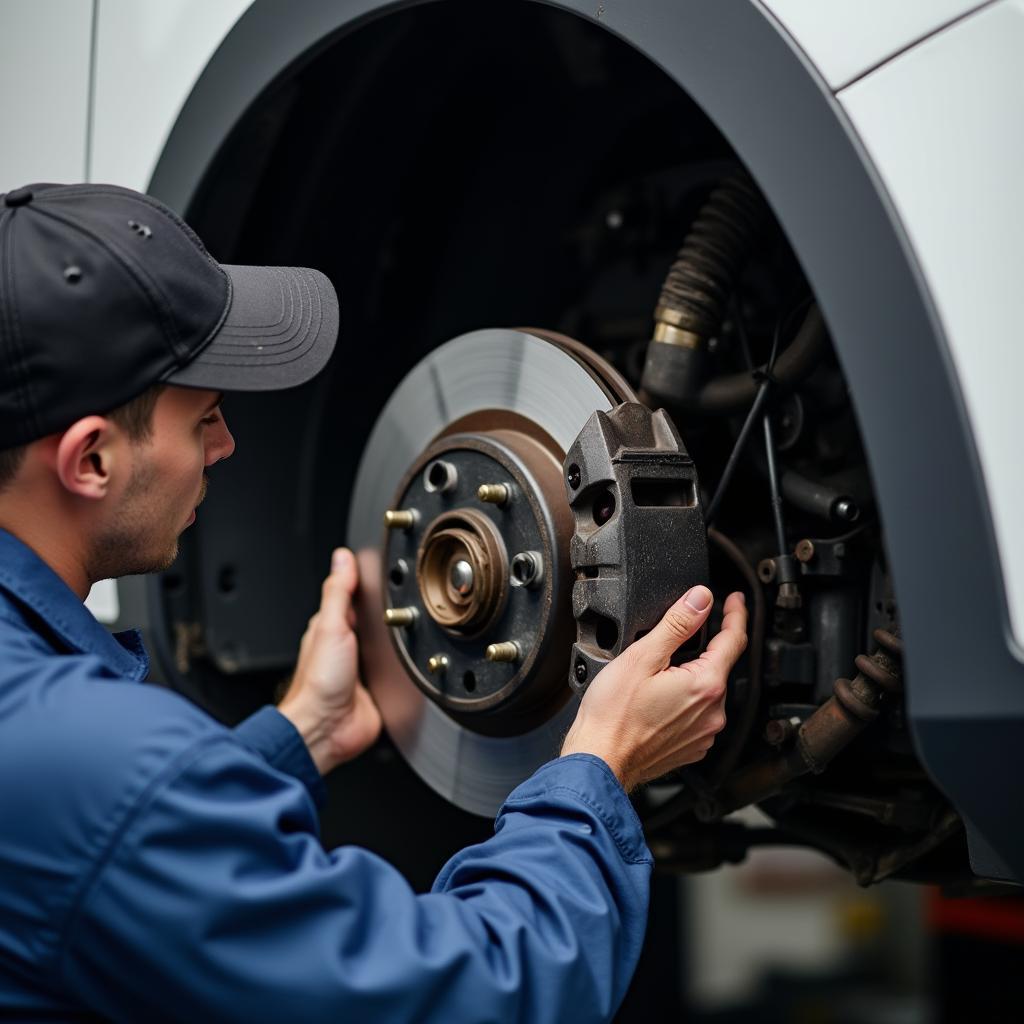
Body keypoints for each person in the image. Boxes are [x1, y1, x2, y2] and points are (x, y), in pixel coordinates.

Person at [0, 183, 747, 1023]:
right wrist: (602, 764)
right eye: (204, 419)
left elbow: (98, 860)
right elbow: (476, 998)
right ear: (90, 460)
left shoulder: (44, 738)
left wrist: (301, 735)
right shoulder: (97, 770)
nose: (226, 445)